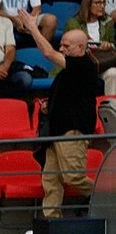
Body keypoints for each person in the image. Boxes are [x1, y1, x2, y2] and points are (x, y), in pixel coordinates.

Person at [20, 16, 99, 219]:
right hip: (55, 131)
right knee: (51, 180)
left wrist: (32, 28)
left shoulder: (85, 65)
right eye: (61, 44)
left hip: (72, 131)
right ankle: (51, 220)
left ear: (81, 47)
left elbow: (48, 53)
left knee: (73, 177)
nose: (61, 48)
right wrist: (48, 106)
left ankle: (106, 196)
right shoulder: (67, 71)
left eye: (66, 46)